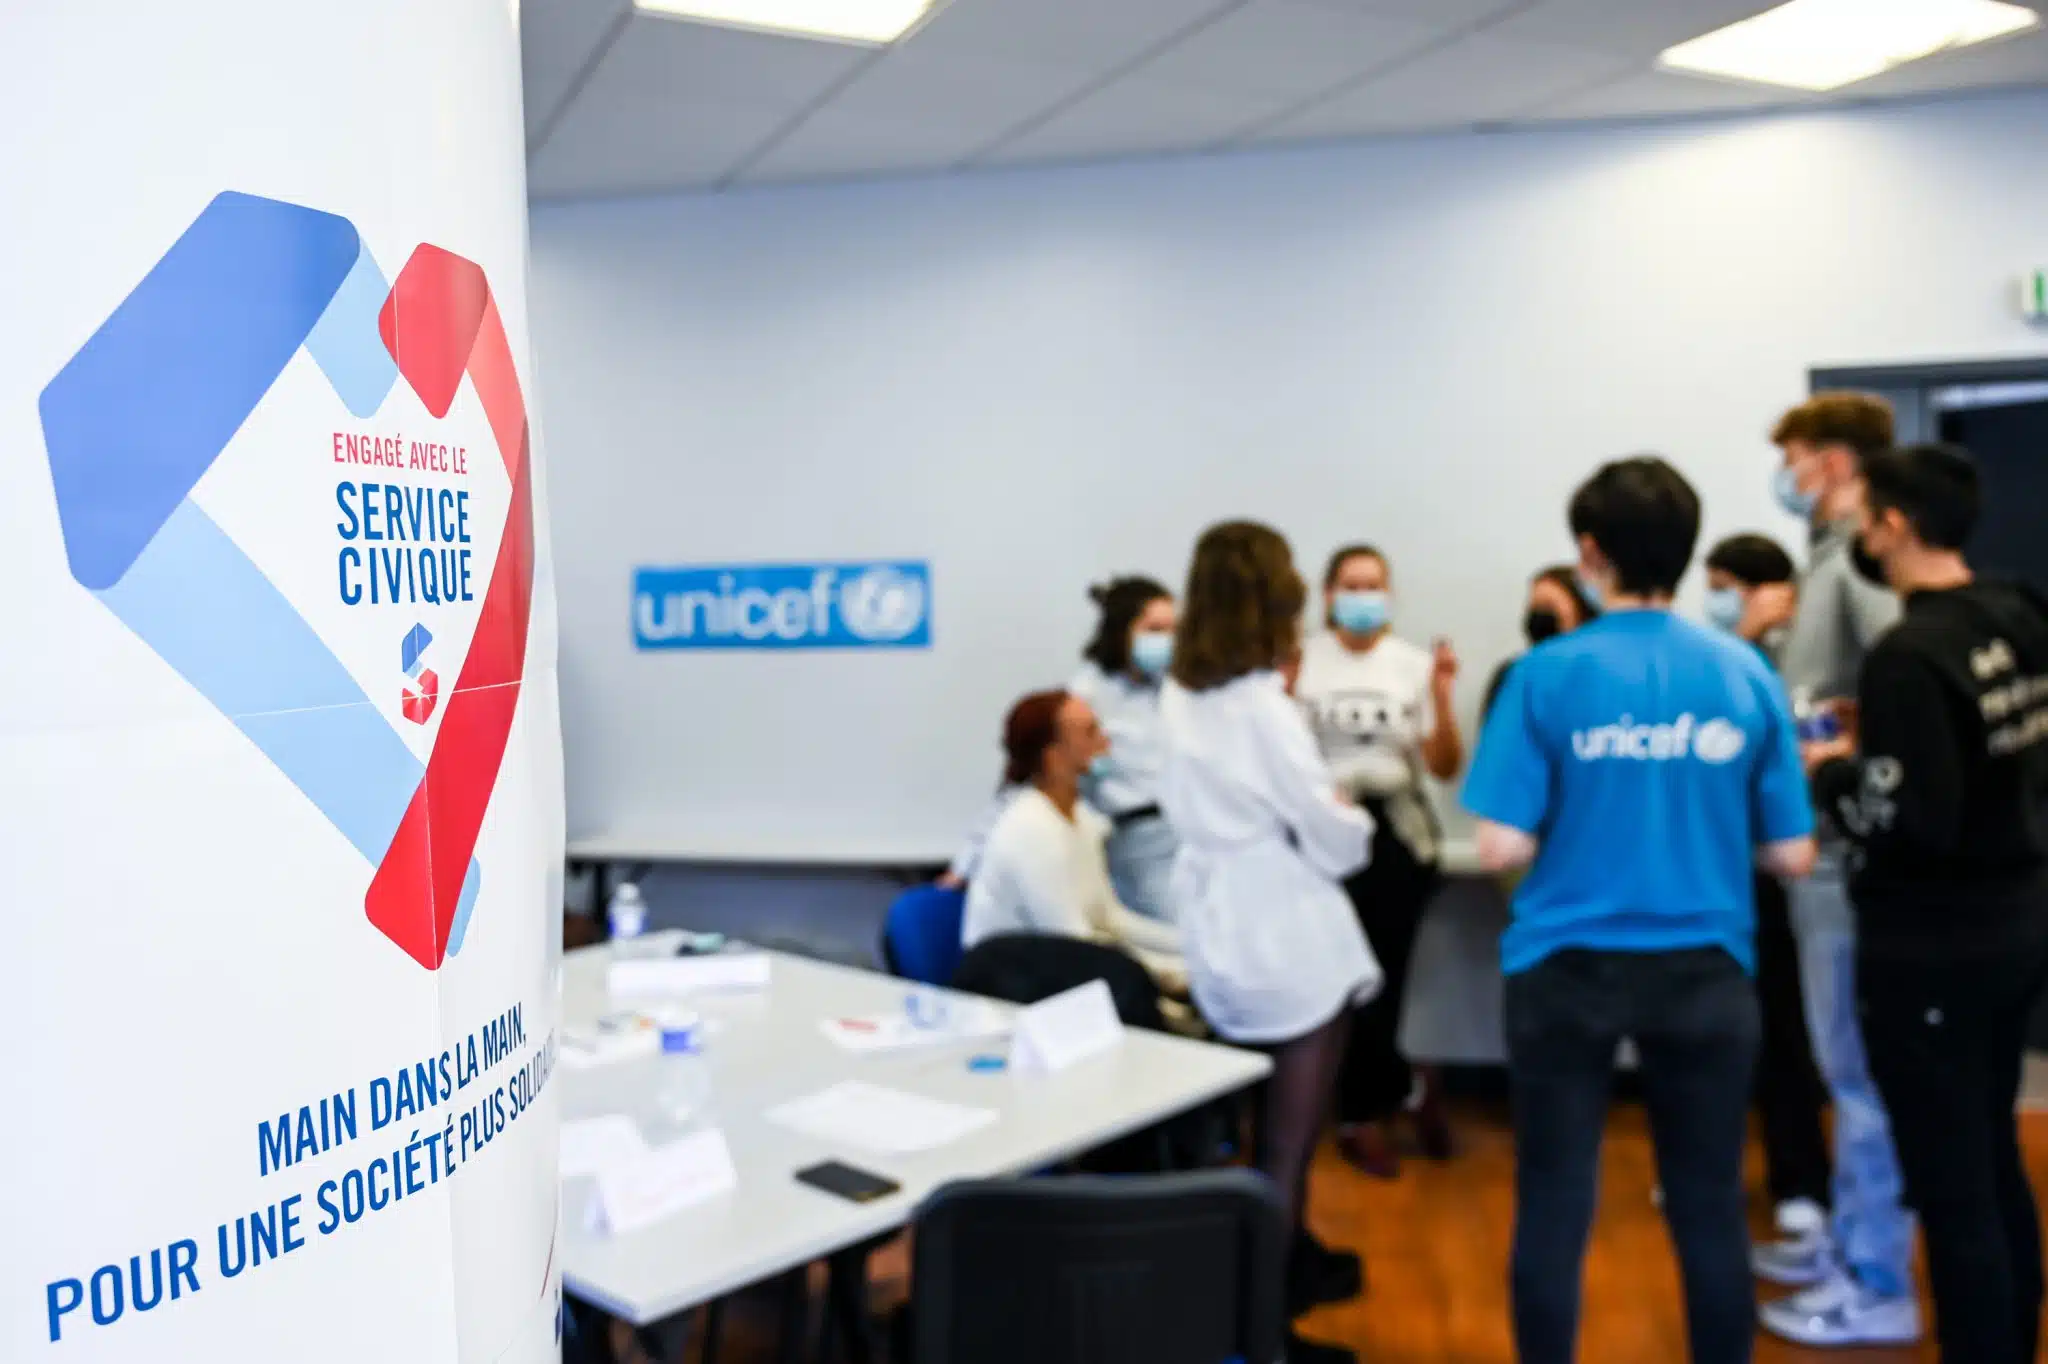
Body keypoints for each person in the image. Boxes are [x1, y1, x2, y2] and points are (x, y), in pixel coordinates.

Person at [1464, 456, 1817, 1364]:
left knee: (1555, 1196)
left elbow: (1498, 846)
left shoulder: (1545, 675)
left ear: (1591, 552)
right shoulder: (1743, 672)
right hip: (1706, 971)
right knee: (1706, 1203)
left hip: (1563, 971)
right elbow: (1791, 853)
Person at [1802, 443, 2048, 1364]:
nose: (1859, 536)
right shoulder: (2020, 612)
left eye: (1864, 519)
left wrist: (1832, 775)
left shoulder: (1909, 652)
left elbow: (1908, 819)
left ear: (1894, 526)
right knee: (1990, 1157)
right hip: (2019, 917)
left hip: (1935, 945)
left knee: (1951, 1188)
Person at [1158, 520, 1377, 1364]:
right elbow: (1334, 838)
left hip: (1221, 926)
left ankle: (1272, 1293)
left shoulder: (1181, 696)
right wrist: (1346, 814)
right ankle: (1259, 1335)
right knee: (1286, 1146)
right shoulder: (1261, 706)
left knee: (1259, 1139)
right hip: (1286, 936)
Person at [1755, 393, 1920, 1346]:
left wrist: (1841, 739)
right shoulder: (1826, 557)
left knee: (1856, 1077)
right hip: (1817, 849)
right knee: (1838, 1064)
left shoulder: (1862, 547)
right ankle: (1852, 1243)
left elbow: (1902, 665)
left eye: (1795, 456)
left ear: (1834, 461)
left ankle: (1876, 1279)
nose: (1787, 473)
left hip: (1849, 857)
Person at [1295, 545, 1461, 1175]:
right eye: (1351, 585)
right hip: (1320, 838)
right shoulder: (1304, 662)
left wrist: (1443, 695)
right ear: (1328, 594)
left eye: (1375, 585)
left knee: (1385, 977)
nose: (1364, 597)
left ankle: (1373, 1105)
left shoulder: (1411, 665)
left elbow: (1444, 767)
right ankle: (1391, 1095)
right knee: (1337, 981)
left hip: (1394, 834)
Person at [1703, 533, 1833, 1249]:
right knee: (1712, 1037)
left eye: (1725, 584)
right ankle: (1710, 1169)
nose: (1715, 599)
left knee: (1784, 1036)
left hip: (1777, 875)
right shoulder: (1719, 657)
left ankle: (1802, 1182)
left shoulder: (1793, 662)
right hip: (1715, 875)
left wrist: (1751, 641)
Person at [961, 690, 1186, 995]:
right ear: (1054, 757)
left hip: (1063, 974)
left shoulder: (1081, 818)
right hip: (1015, 987)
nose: (1105, 740)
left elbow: (1110, 918)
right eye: (1090, 731)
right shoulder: (1031, 829)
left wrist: (1190, 947)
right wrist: (1176, 972)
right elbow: (1075, 941)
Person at [1068, 577, 1181, 923]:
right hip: (1135, 838)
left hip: (1186, 831)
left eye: (1173, 630)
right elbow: (1041, 775)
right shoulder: (1086, 695)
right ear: (1122, 631)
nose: (1167, 640)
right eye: (1154, 629)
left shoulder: (1172, 687)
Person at [1482, 565, 1602, 721]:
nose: (1539, 616)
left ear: (1582, 614)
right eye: (1534, 608)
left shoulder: (1602, 676)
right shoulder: (1512, 674)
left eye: (1549, 607)